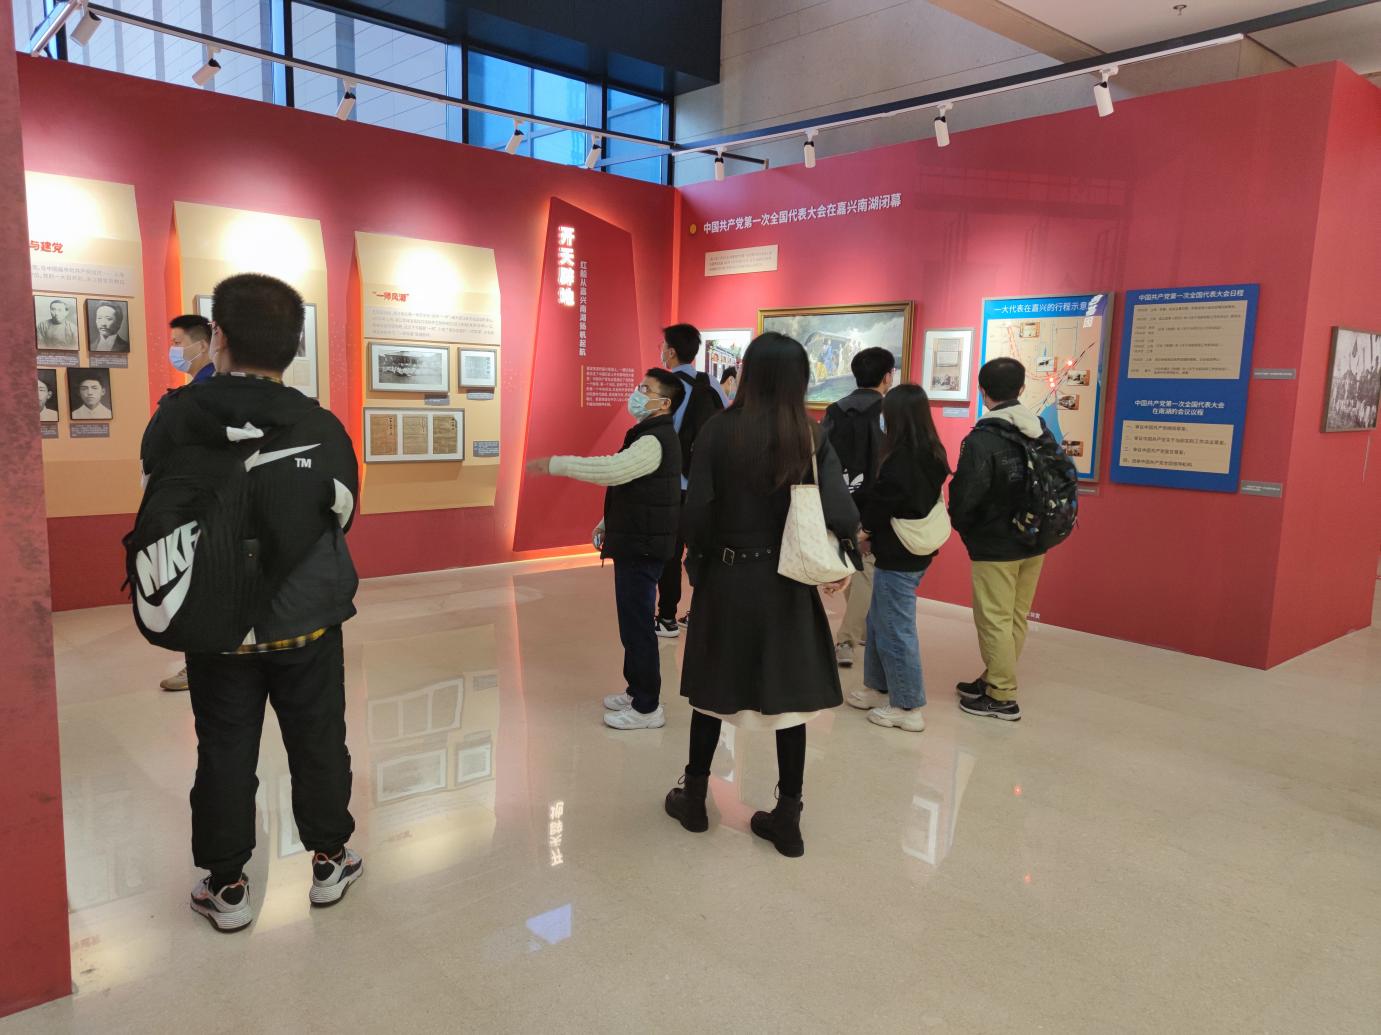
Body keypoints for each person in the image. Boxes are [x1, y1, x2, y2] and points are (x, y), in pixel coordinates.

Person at [138, 273, 363, 931]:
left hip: (214, 623)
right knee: (318, 740)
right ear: (294, 344)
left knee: (224, 750)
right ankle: (329, 860)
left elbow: (155, 510)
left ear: (219, 336)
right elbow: (342, 515)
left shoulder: (175, 418)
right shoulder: (321, 425)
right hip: (305, 619)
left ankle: (227, 885)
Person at [663, 332, 860, 858]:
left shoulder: (718, 429)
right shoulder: (809, 435)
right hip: (789, 581)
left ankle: (695, 797)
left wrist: (699, 567)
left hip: (728, 576)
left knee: (711, 691)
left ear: (748, 372)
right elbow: (841, 511)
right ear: (800, 379)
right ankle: (787, 817)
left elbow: (696, 514)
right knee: (789, 702)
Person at [526, 370, 684, 730]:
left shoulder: (654, 440)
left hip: (643, 547)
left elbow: (613, 471)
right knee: (632, 625)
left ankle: (647, 708)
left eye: (646, 389)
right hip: (637, 540)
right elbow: (633, 488)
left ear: (664, 403)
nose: (637, 393)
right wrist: (606, 522)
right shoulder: (646, 433)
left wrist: (557, 464)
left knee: (638, 627)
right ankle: (636, 691)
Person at [948, 357, 1049, 722]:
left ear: (982, 391)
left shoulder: (983, 438)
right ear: (1021, 389)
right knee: (1015, 616)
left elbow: (965, 496)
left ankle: (1002, 696)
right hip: (1035, 537)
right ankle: (994, 677)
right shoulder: (1039, 429)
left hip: (996, 544)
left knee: (993, 619)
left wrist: (965, 528)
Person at [848, 384, 950, 733]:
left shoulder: (901, 459)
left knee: (895, 627)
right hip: (913, 550)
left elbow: (882, 503)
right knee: (879, 620)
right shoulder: (932, 451)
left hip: (899, 553)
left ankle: (907, 705)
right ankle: (878, 687)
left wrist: (863, 531)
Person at [821, 346, 895, 668]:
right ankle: (847, 639)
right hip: (874, 501)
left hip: (838, 499)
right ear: (887, 376)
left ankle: (858, 630)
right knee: (864, 568)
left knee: (851, 563)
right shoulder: (889, 411)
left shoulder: (834, 410)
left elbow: (822, 456)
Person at [156, 314, 219, 693]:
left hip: (204, 504)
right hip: (197, 501)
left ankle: (200, 665)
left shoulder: (207, 391)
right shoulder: (197, 388)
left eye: (178, 343)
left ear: (202, 344)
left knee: (201, 587)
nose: (174, 350)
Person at [655, 324, 727, 638]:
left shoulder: (663, 386)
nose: (661, 350)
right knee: (702, 551)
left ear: (671, 352)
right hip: (706, 486)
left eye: (663, 346)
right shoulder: (711, 384)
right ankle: (699, 613)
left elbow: (651, 434)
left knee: (670, 554)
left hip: (673, 484)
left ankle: (667, 618)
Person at [169, 313, 216, 383]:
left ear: (202, 346)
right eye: (172, 344)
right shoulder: (202, 381)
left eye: (177, 342)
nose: (173, 349)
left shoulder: (209, 384)